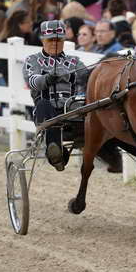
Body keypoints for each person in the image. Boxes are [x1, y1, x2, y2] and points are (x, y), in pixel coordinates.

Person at [23, 20, 89, 171]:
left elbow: (87, 77)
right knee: (44, 104)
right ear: (42, 39)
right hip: (45, 112)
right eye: (50, 39)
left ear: (64, 39)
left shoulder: (74, 61)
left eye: (58, 39)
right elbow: (32, 81)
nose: (55, 43)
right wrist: (46, 78)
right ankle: (55, 153)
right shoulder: (32, 60)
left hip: (71, 110)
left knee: (85, 103)